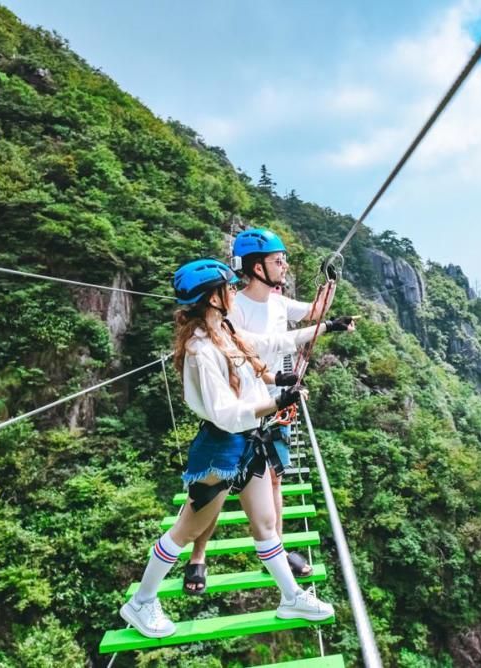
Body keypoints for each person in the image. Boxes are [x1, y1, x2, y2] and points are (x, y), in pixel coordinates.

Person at [119, 258, 345, 638]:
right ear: (214, 298)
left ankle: (290, 596)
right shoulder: (200, 350)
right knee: (187, 530)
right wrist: (277, 402)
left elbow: (268, 345)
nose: (233, 293)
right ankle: (140, 602)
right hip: (221, 447)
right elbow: (224, 412)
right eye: (227, 289)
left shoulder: (224, 329)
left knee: (266, 525)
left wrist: (282, 375)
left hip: (249, 441)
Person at [182, 228, 355, 595]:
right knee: (217, 485)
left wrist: (330, 292)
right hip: (241, 402)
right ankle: (198, 555)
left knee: (273, 477)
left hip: (278, 398)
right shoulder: (233, 306)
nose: (284, 266)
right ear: (257, 267)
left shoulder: (278, 302)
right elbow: (249, 348)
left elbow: (311, 313)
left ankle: (273, 548)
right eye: (278, 261)